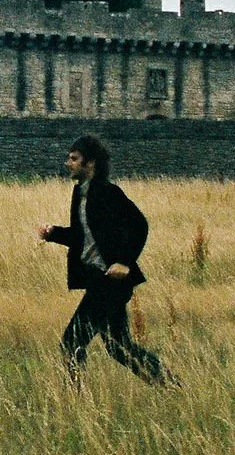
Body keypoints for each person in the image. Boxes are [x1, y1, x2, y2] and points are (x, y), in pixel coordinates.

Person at [36, 134, 167, 384]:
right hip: (99, 279)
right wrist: (53, 233)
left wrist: (125, 262)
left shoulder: (109, 193)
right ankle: (169, 385)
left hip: (111, 282)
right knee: (119, 348)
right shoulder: (80, 193)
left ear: (91, 163)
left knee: (71, 344)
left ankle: (75, 404)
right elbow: (81, 236)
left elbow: (140, 225)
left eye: (74, 159)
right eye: (69, 158)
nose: (68, 163)